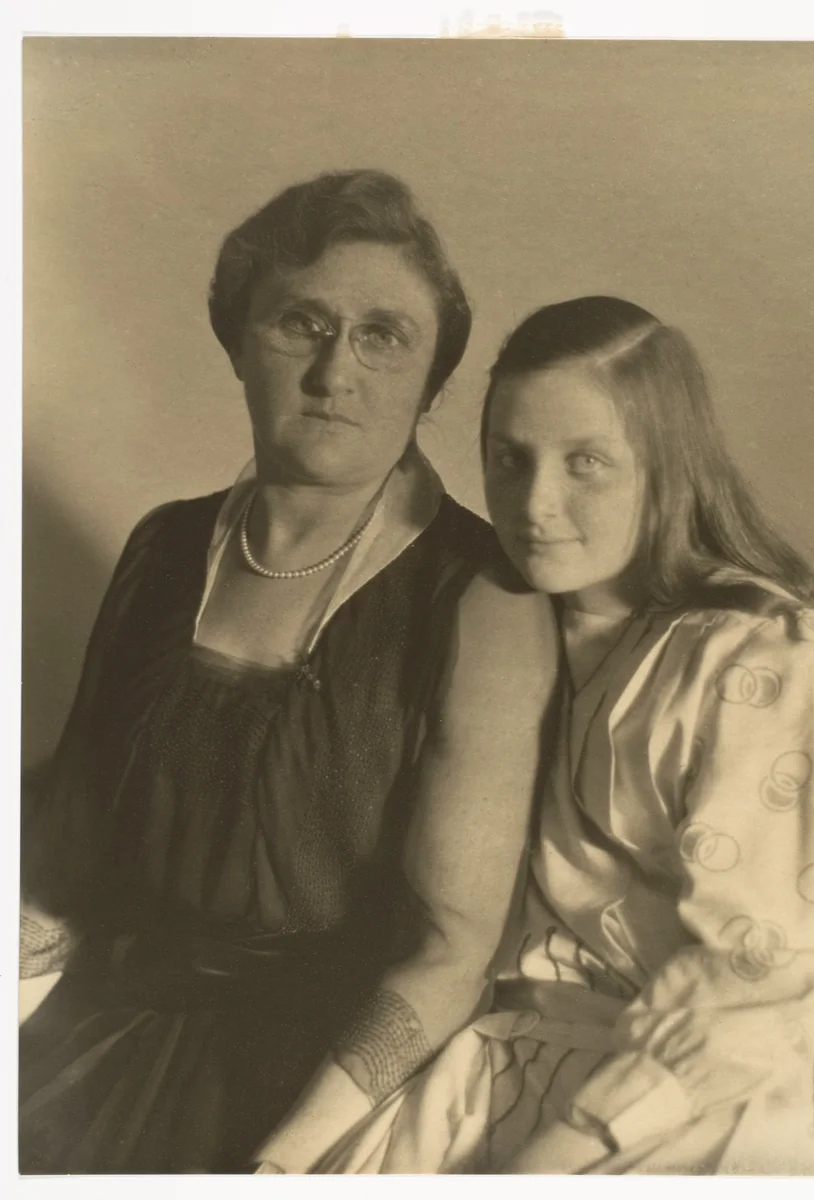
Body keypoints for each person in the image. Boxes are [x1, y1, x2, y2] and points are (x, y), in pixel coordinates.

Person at [18, 170, 560, 1173]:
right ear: (237, 343)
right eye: (299, 324)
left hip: (314, 1075)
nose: (334, 372)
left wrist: (285, 1161)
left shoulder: (481, 596)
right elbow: (72, 849)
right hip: (97, 1014)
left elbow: (451, 949)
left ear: (432, 376)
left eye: (382, 335)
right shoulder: (165, 547)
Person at [312, 296, 814, 1176]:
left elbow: (760, 982)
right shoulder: (505, 630)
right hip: (544, 1048)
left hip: (737, 1084)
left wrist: (553, 1164)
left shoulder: (755, 654)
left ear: (665, 468)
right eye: (510, 460)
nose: (536, 503)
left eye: (586, 463)